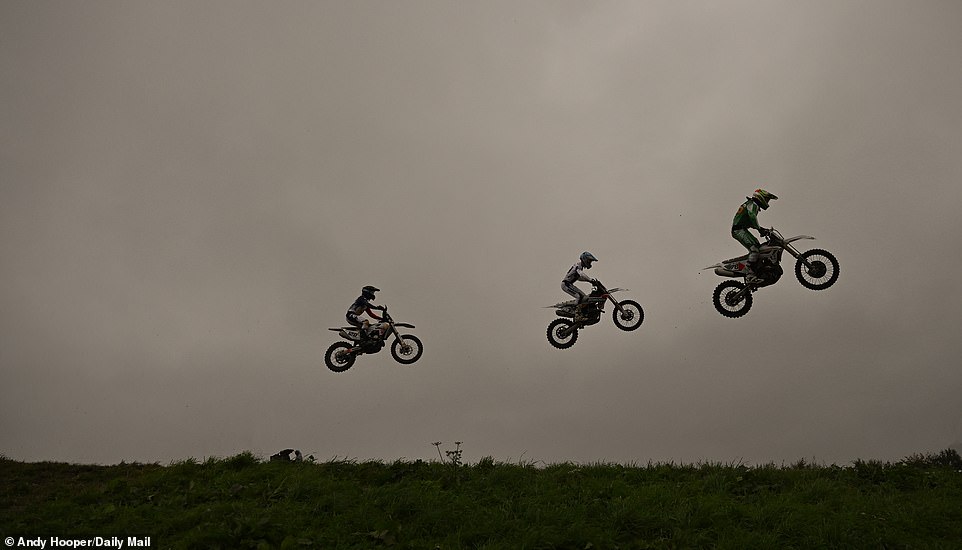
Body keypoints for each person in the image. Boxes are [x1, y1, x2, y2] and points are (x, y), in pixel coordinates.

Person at [731, 189, 778, 280]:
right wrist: (760, 229)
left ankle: (757, 269)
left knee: (758, 246)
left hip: (742, 229)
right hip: (738, 230)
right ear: (761, 197)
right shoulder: (752, 204)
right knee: (755, 250)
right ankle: (749, 273)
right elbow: (752, 216)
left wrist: (761, 229)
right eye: (767, 199)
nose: (767, 202)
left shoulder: (750, 204)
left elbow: (750, 221)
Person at [562, 252, 600, 316]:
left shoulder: (580, 267)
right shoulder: (578, 266)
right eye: (589, 261)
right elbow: (581, 274)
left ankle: (581, 312)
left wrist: (589, 281)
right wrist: (590, 279)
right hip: (566, 284)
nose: (590, 263)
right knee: (578, 296)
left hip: (569, 284)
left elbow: (579, 278)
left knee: (584, 298)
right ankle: (576, 314)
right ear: (585, 259)